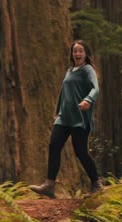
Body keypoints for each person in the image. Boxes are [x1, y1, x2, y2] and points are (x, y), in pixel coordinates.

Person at [29, 40, 104, 198]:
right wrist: (57, 111)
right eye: (75, 51)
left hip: (80, 118)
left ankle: (97, 184)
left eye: (80, 51)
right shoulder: (70, 70)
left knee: (81, 152)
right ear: (72, 54)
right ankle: (49, 185)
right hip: (64, 118)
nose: (77, 54)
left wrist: (88, 100)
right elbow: (63, 92)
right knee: (54, 145)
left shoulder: (87, 69)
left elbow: (95, 88)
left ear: (85, 54)